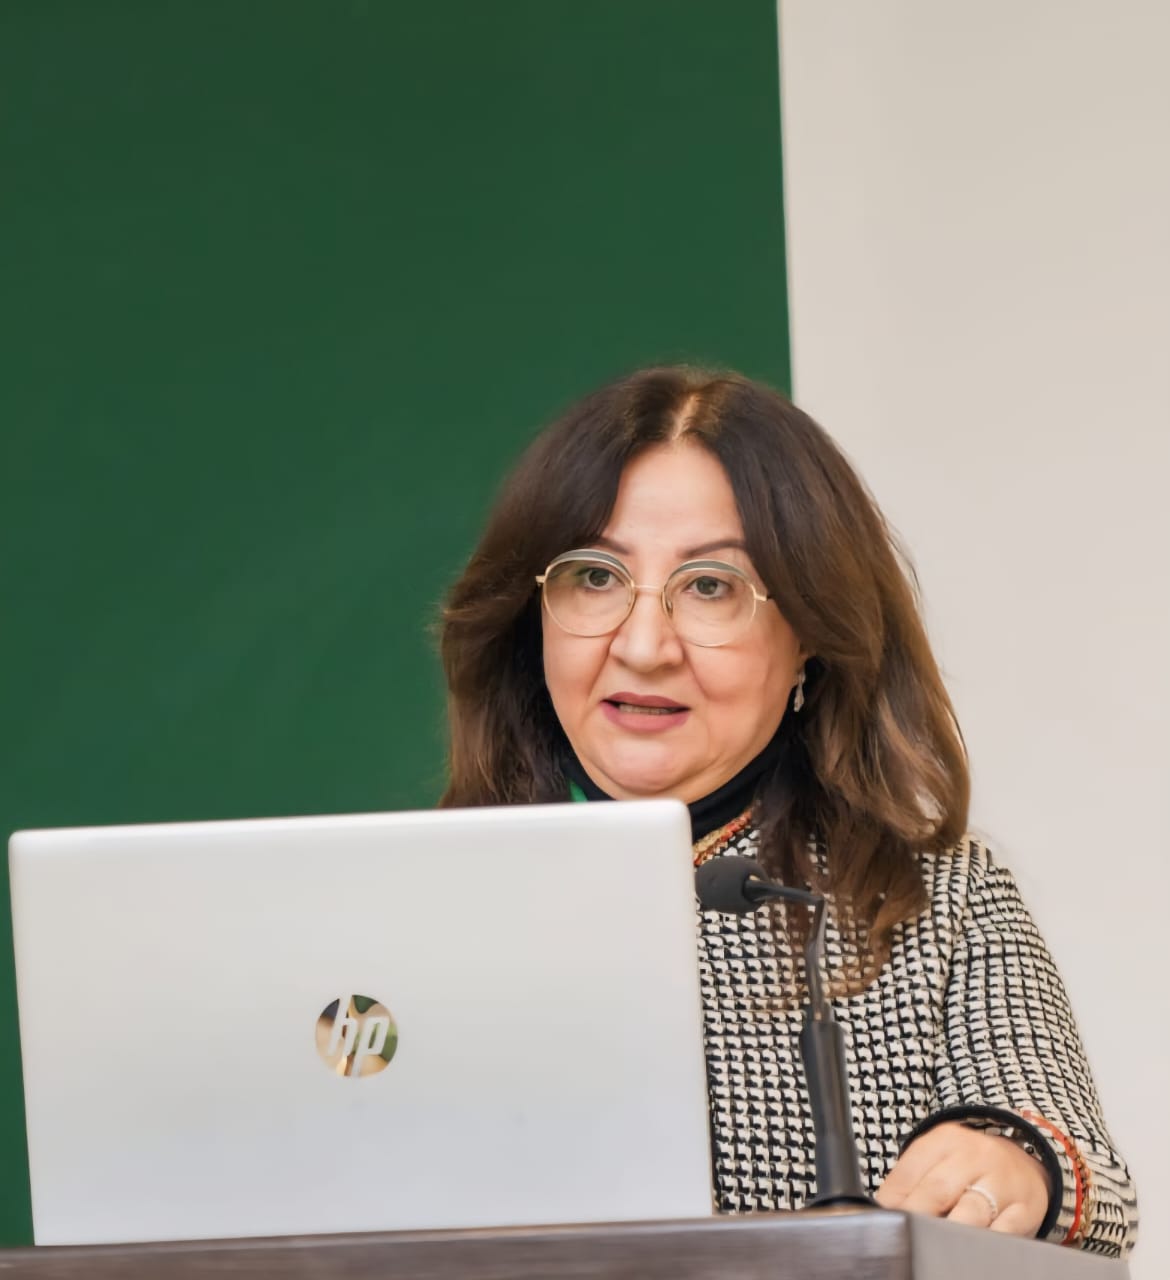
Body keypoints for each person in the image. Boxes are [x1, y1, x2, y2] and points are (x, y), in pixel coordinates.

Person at [438, 366, 1138, 1257]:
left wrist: (1016, 1167)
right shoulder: (422, 906)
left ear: (808, 631)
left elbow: (1090, 1185)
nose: (644, 646)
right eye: (595, 576)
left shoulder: (940, 900)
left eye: (711, 586)